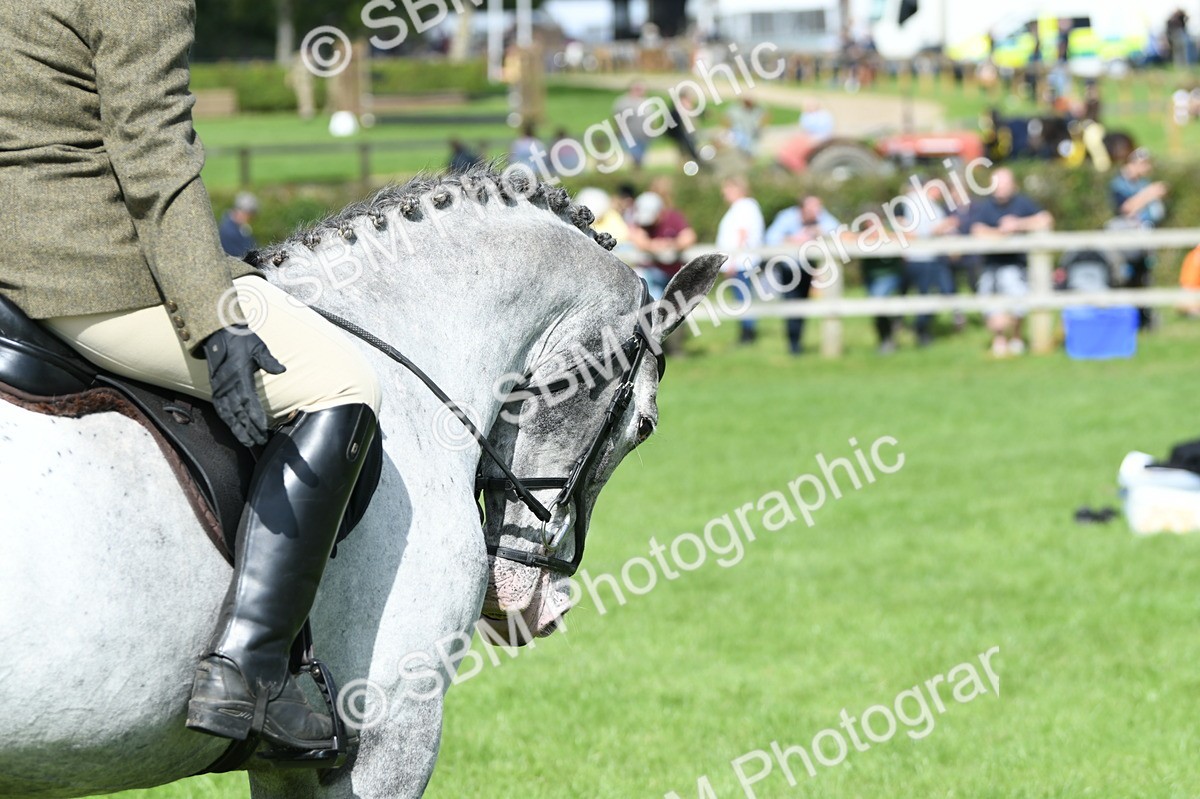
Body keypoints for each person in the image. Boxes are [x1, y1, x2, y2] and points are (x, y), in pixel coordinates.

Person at [0, 0, 381, 752]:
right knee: (342, 380)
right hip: (83, 271)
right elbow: (153, 148)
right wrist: (214, 318)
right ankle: (251, 675)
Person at [970, 168, 1055, 357]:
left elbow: (1046, 219)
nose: (1000, 188)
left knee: (1018, 302)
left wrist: (1018, 225)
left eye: (1004, 184)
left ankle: (1016, 337)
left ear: (1012, 185)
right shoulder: (985, 206)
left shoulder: (1023, 203)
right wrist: (1000, 233)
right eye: (997, 185)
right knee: (990, 305)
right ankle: (999, 339)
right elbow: (977, 230)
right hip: (991, 266)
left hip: (1016, 266)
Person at [765, 196, 841, 355]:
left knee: (803, 306)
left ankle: (797, 342)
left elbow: (838, 230)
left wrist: (819, 232)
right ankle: (793, 345)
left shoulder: (820, 217)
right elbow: (770, 238)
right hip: (789, 268)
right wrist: (792, 239)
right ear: (802, 209)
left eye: (818, 208)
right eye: (812, 209)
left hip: (808, 268)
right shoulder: (787, 217)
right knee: (792, 304)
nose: (816, 212)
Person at [1110, 148, 1168, 329]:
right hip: (1125, 242)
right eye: (1143, 163)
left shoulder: (1143, 183)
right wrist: (1149, 194)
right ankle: (1125, 319)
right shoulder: (1119, 184)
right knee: (1125, 277)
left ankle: (1144, 319)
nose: (1146, 167)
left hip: (1145, 239)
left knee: (1145, 277)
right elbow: (1126, 209)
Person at [898, 180, 957, 346]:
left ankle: (915, 328)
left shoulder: (924, 203)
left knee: (928, 294)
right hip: (921, 257)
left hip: (926, 257)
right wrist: (945, 225)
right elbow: (921, 232)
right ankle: (921, 331)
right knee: (926, 295)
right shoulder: (919, 202)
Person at [715, 177, 765, 344]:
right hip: (741, 261)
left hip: (742, 261)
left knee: (743, 298)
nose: (725, 193)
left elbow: (742, 234)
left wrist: (732, 262)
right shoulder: (743, 207)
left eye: (728, 189)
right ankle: (746, 332)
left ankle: (748, 334)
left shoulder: (744, 206)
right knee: (742, 298)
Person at [627, 192, 697, 300]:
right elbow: (637, 238)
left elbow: (689, 237)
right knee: (654, 303)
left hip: (675, 274)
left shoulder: (673, 217)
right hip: (652, 274)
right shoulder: (639, 220)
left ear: (660, 212)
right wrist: (655, 245)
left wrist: (672, 244)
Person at [855, 209, 906, 354]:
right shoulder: (862, 235)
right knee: (877, 309)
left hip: (889, 275)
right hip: (871, 277)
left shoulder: (891, 230)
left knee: (878, 302)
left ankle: (887, 339)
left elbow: (907, 238)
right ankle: (886, 338)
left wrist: (884, 236)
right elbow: (846, 238)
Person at [612, 82, 653, 169]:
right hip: (628, 135)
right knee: (635, 156)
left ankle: (637, 173)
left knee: (640, 158)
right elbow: (617, 119)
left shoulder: (646, 102)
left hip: (643, 136)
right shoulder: (623, 103)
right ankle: (635, 172)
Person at [218, 192, 259, 258]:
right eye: (250, 215)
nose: (250, 219)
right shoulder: (228, 231)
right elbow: (241, 256)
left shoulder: (240, 227)